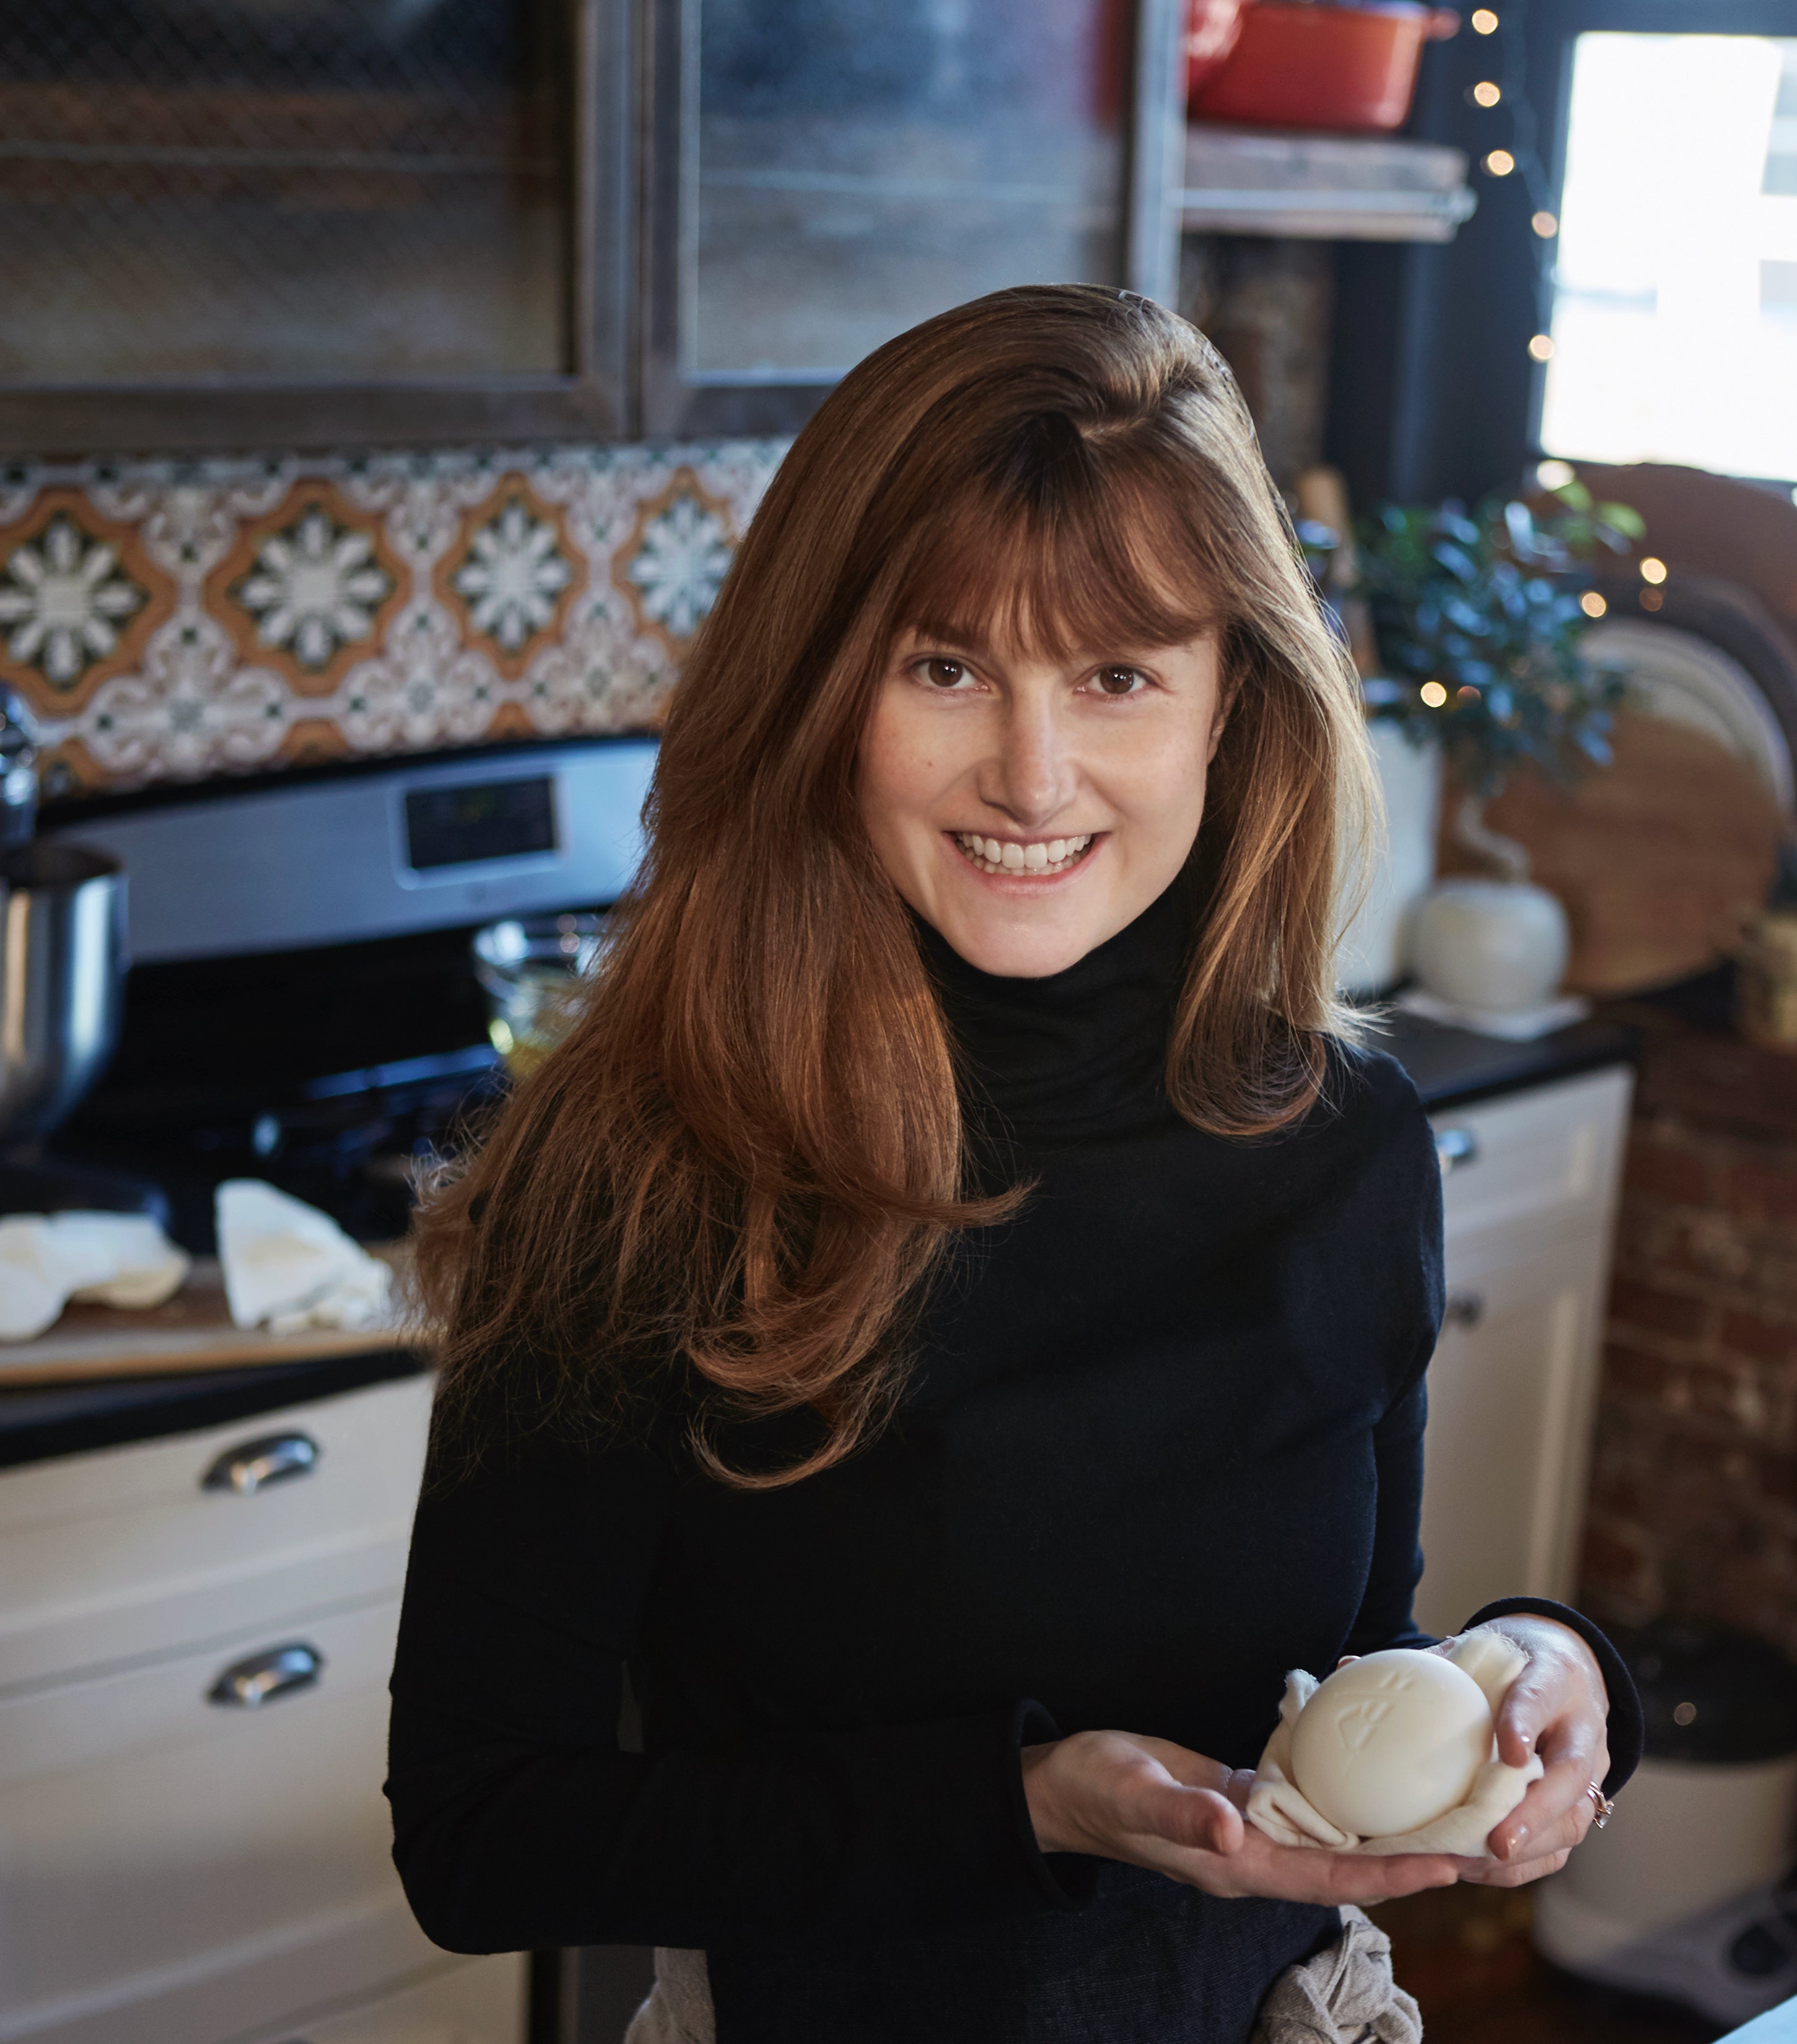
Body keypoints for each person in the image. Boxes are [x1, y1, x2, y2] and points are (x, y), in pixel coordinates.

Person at [387, 284, 1643, 2044]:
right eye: (945, 665)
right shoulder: (637, 1178)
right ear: (825, 690)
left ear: (1228, 704)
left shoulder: (1343, 1144)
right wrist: (1027, 1798)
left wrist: (1543, 1667)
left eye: (1116, 673)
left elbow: (1348, 1675)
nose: (1031, 772)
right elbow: (479, 1837)